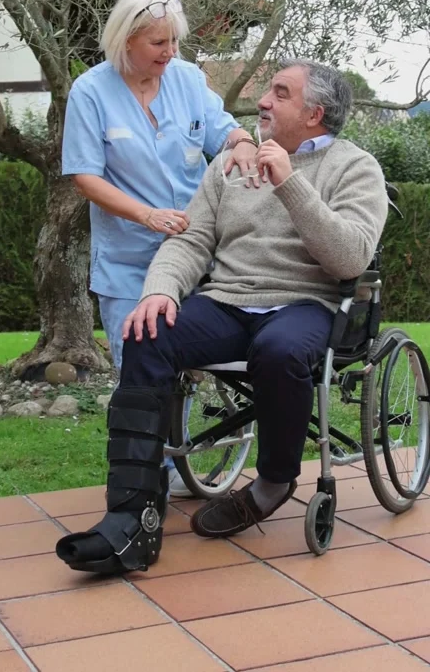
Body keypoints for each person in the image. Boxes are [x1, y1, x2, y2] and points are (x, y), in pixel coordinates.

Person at [56, 57, 388, 576]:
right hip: (229, 300)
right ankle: (132, 516)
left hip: (307, 304)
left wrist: (290, 183)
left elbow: (350, 258)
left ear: (314, 114)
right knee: (150, 333)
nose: (262, 101)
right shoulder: (230, 165)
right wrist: (159, 291)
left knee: (278, 350)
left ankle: (273, 482)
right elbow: (190, 240)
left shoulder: (355, 167)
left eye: (280, 93)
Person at [62, 0, 259, 496]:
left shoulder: (189, 79)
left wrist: (240, 142)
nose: (170, 53)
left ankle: (187, 457)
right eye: (158, 43)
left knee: (199, 356)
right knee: (137, 366)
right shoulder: (90, 92)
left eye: (174, 41)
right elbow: (86, 176)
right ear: (126, 40)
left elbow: (221, 129)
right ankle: (148, 479)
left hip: (197, 255)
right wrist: (147, 215)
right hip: (128, 259)